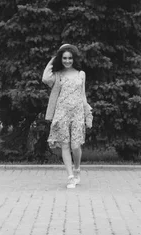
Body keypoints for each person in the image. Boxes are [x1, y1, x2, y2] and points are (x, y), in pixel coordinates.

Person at [42, 44, 92, 189]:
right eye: (64, 58)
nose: (67, 61)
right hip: (61, 113)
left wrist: (87, 112)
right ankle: (70, 177)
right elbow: (45, 78)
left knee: (76, 146)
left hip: (77, 113)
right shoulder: (58, 75)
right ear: (61, 59)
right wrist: (53, 60)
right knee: (65, 145)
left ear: (73, 58)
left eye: (70, 58)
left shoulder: (81, 74)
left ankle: (76, 169)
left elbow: (83, 95)